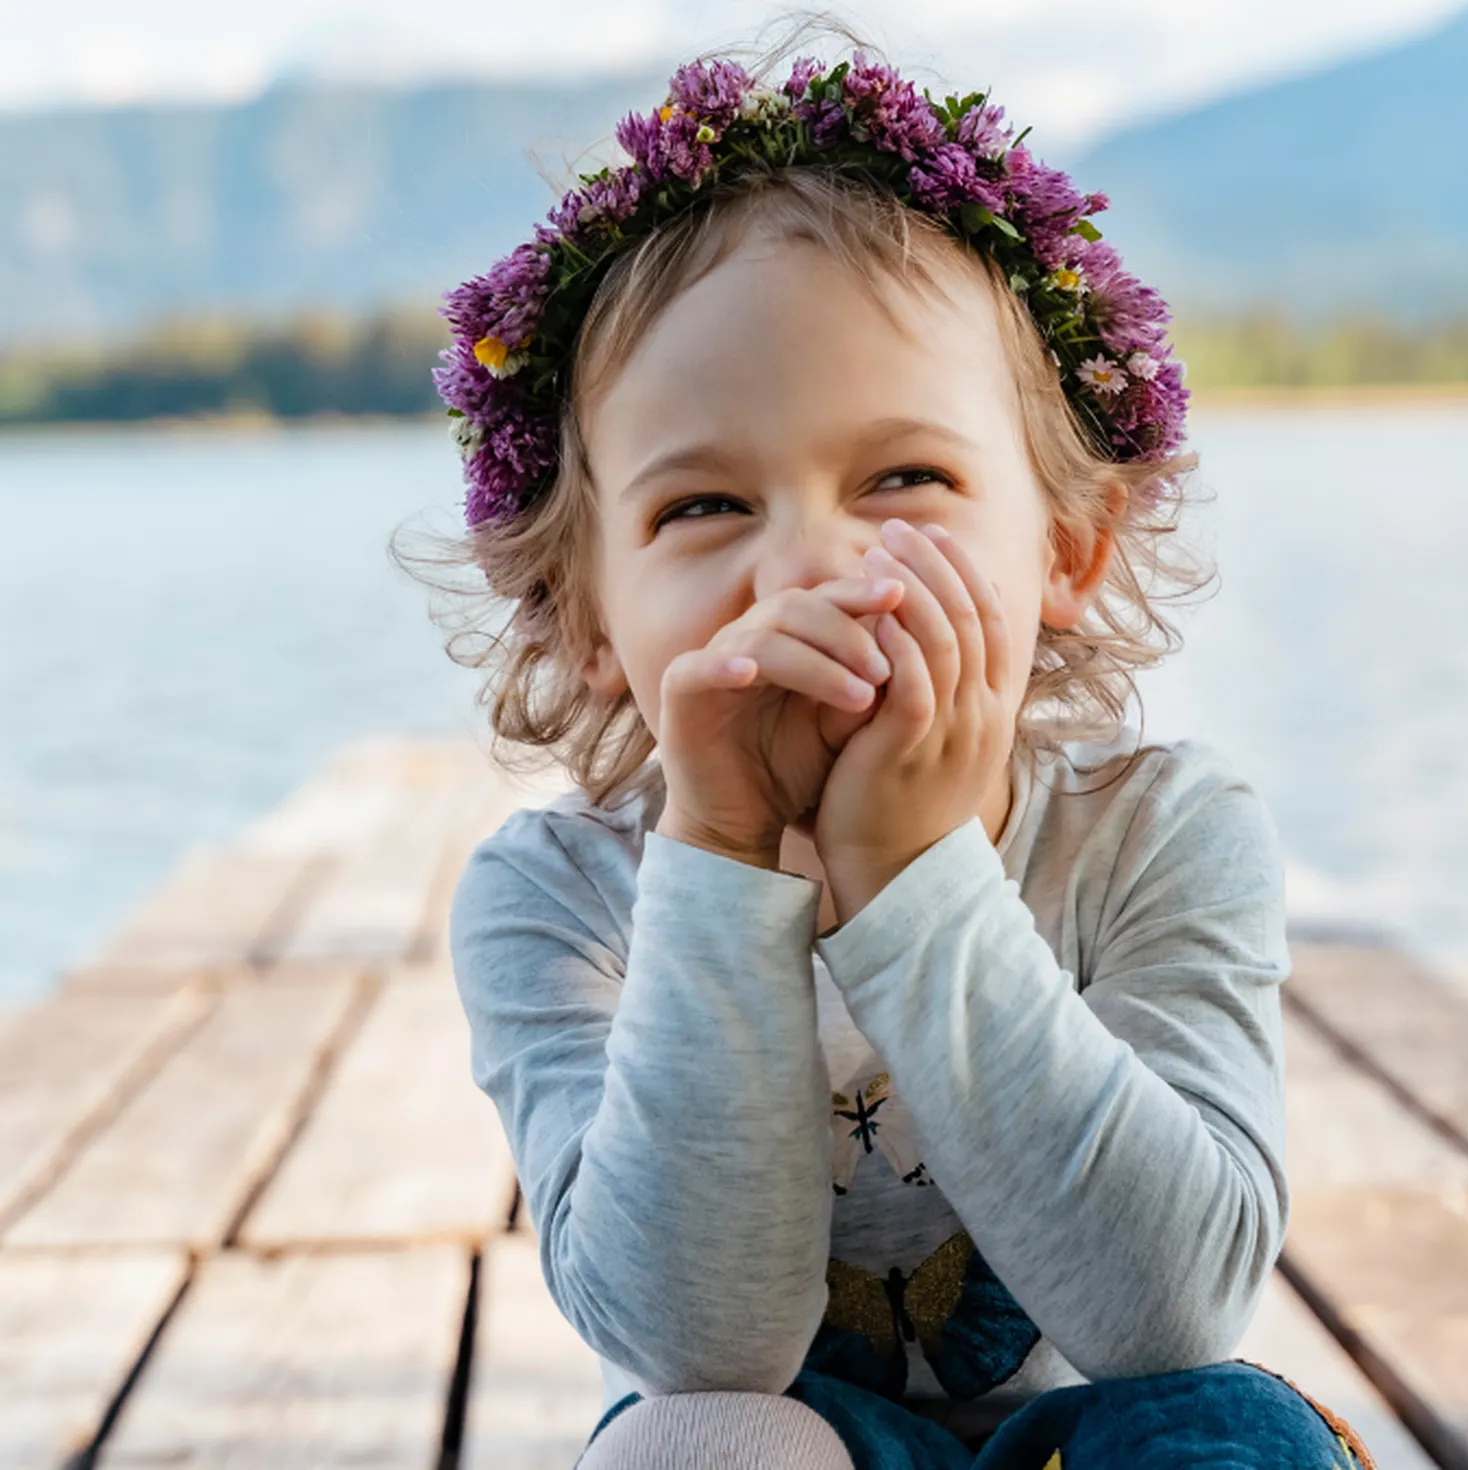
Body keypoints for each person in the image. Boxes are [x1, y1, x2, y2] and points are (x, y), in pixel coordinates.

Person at [429, 23, 1378, 1470]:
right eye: (702, 508)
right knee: (689, 1444)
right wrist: (723, 855)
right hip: (798, 1439)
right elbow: (697, 1346)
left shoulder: (1160, 834)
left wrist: (915, 866)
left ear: (1067, 544)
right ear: (587, 619)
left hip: (1102, 1431)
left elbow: (1173, 1311)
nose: (811, 566)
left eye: (905, 478)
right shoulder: (556, 901)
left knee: (1235, 1426)